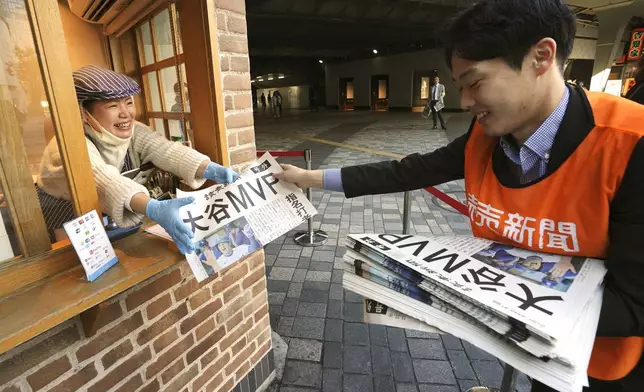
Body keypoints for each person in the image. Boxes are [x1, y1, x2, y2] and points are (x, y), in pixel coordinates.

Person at [275, 1, 644, 391]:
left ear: (541, 56)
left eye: (475, 82)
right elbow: (408, 171)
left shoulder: (630, 146)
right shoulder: (486, 138)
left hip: (609, 368)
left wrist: (460, 299)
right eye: (460, 87)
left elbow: (633, 305)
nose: (465, 102)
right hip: (543, 357)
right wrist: (309, 177)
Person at [36, 65, 238, 254]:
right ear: (84, 112)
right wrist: (152, 208)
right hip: (64, 207)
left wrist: (209, 168)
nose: (126, 114)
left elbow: (165, 149)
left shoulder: (133, 131)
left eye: (129, 103)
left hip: (109, 204)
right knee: (75, 261)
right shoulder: (68, 144)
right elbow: (105, 179)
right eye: (113, 105)